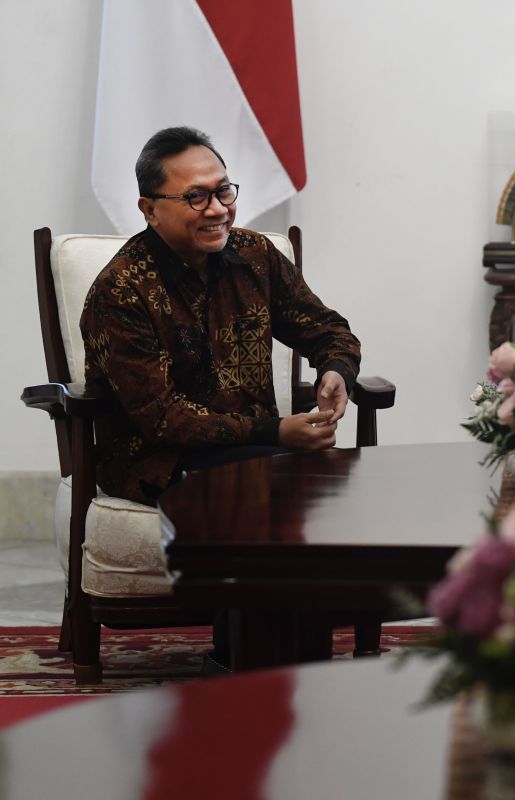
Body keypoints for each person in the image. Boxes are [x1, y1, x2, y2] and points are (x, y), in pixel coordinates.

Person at [80, 126, 362, 672]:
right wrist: (272, 432)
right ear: (148, 208)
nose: (217, 210)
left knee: (306, 483)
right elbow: (162, 420)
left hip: (252, 449)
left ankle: (300, 668)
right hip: (158, 460)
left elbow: (330, 330)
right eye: (195, 197)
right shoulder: (121, 291)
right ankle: (246, 669)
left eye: (224, 191)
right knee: (263, 482)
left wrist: (335, 370)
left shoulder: (256, 257)